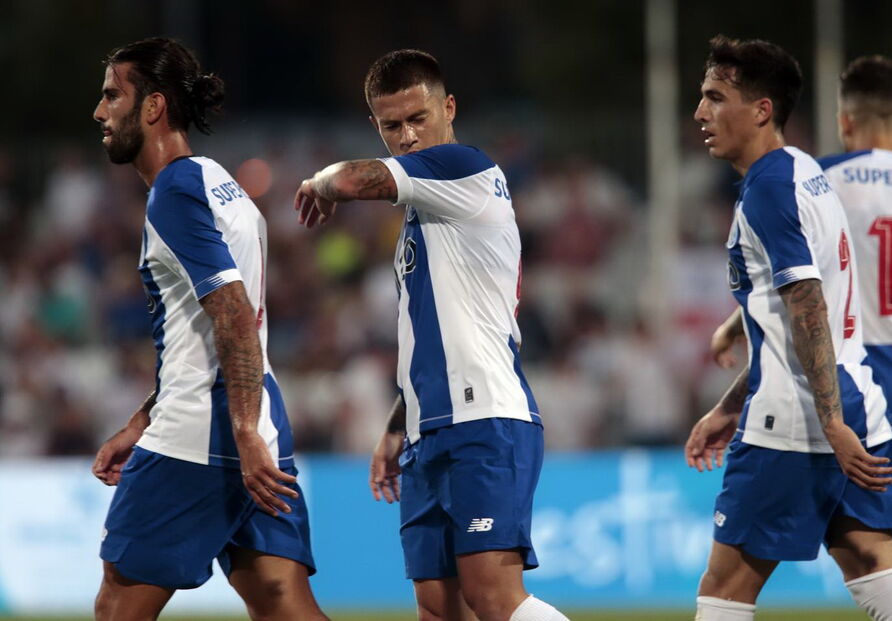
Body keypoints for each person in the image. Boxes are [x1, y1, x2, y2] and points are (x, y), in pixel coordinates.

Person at [293, 49, 568, 621]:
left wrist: (319, 180)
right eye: (392, 126)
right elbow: (432, 338)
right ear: (376, 126)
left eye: (418, 118)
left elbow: (350, 178)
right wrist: (400, 424)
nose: (409, 136)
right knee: (439, 609)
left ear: (449, 108)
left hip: (485, 420)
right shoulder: (424, 220)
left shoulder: (464, 168)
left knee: (493, 597)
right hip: (430, 430)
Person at [686, 35, 892, 620]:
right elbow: (786, 321)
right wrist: (727, 406)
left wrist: (829, 424)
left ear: (762, 109)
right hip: (858, 397)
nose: (700, 113)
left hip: (795, 421)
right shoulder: (803, 170)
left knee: (725, 586)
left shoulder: (771, 188)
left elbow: (807, 307)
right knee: (877, 566)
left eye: (716, 98)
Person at [90, 38, 328, 621]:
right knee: (283, 604)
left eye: (112, 95)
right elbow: (202, 330)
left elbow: (233, 313)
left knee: (118, 604)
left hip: (203, 433)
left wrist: (240, 433)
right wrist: (142, 418)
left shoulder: (172, 194)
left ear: (153, 108)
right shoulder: (220, 183)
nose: (100, 112)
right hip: (260, 420)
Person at [819, 56, 892, 602]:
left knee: (887, 565)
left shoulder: (823, 181)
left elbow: (796, 275)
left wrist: (730, 328)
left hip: (881, 389)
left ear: (845, 122)